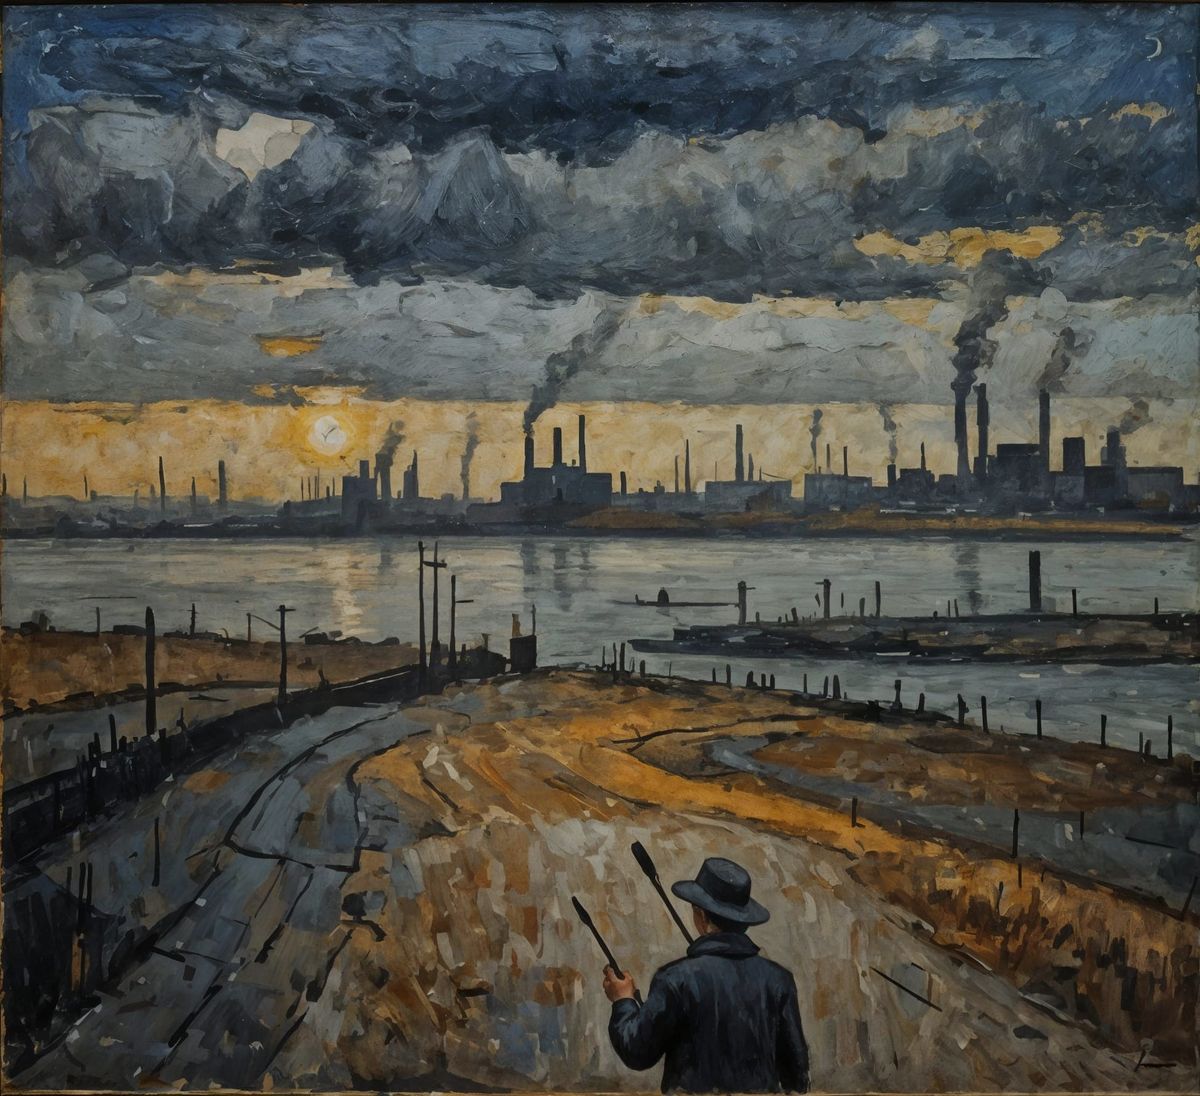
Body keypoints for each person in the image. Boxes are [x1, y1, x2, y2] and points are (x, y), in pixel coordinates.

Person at [603, 856, 809, 1094]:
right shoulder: (780, 980)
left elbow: (637, 1052)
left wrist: (623, 1001)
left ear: (700, 915)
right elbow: (798, 1075)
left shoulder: (674, 979)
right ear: (743, 920)